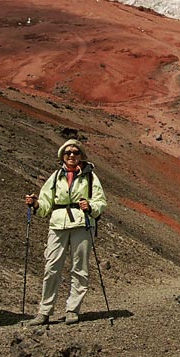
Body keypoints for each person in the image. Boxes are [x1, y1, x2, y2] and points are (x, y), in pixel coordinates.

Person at [24, 139, 107, 325]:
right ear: (63, 155)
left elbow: (101, 201)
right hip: (58, 224)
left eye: (75, 152)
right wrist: (36, 204)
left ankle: (73, 309)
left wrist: (90, 206)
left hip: (82, 223)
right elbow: (46, 202)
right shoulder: (55, 177)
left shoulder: (90, 177)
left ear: (81, 156)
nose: (71, 155)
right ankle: (44, 311)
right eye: (68, 152)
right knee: (51, 266)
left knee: (80, 268)